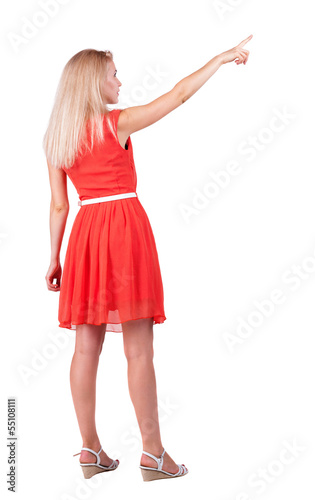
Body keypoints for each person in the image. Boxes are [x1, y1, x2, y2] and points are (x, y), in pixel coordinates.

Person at [44, 34, 253, 482]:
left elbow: (60, 206)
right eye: (114, 75)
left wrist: (54, 257)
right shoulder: (115, 124)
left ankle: (89, 450)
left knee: (85, 347)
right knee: (138, 351)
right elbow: (177, 95)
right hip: (122, 231)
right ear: (93, 84)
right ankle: (153, 455)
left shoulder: (57, 139)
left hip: (83, 237)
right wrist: (217, 58)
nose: (120, 81)